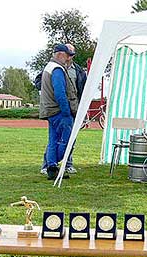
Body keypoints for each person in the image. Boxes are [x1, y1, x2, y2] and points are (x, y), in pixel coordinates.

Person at [38, 44, 87, 176]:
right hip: (60, 112)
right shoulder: (58, 70)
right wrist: (66, 112)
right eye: (67, 55)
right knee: (67, 141)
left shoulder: (48, 67)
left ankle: (52, 169)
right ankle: (54, 163)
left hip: (50, 111)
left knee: (53, 140)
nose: (68, 59)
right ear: (60, 54)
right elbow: (60, 93)